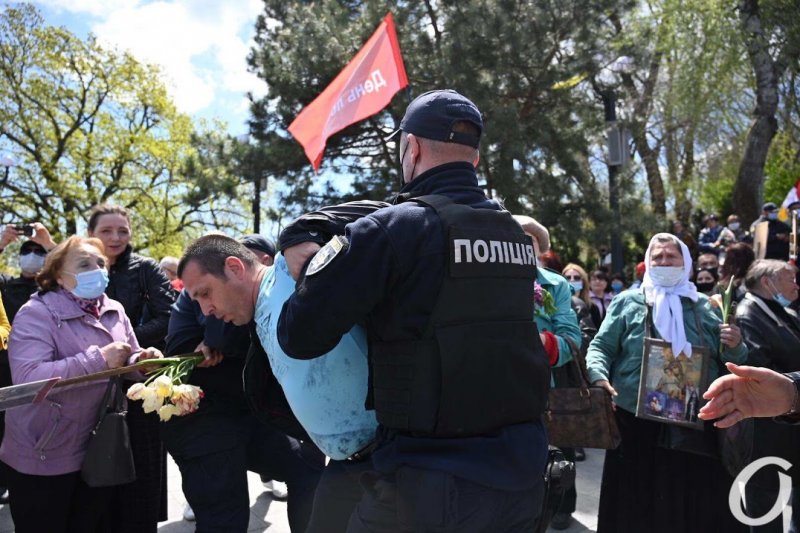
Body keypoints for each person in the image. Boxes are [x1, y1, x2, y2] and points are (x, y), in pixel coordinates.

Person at [277, 89, 550, 531]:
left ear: (412, 147)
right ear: (474, 159)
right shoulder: (514, 234)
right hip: (520, 477)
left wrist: (311, 264)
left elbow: (299, 335)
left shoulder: (390, 232)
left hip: (427, 483)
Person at [177, 229, 381, 532]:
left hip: (388, 456)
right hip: (346, 465)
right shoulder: (254, 313)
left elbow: (378, 224)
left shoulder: (290, 269)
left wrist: (303, 228)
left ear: (235, 267)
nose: (205, 309)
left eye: (205, 293)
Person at [585, 233, 748, 533]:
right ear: (647, 262)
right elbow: (601, 347)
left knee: (692, 504)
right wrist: (598, 376)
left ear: (685, 262)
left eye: (671, 257)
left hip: (693, 422)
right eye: (657, 257)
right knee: (634, 504)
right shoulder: (628, 302)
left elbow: (730, 359)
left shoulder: (705, 307)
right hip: (635, 422)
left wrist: (736, 344)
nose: (663, 262)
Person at [0, 236, 161, 533]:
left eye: (100, 263)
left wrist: (143, 362)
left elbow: (128, 360)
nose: (96, 269)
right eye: (84, 263)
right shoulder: (37, 313)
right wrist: (99, 359)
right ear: (59, 275)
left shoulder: (115, 310)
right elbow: (28, 378)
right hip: (42, 455)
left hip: (96, 450)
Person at [164, 234, 323, 532]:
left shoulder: (269, 289)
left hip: (250, 413)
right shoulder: (201, 296)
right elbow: (215, 337)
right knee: (225, 519)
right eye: (201, 295)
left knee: (308, 469)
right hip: (202, 422)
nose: (206, 308)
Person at [86, 204, 176, 532]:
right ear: (90, 235)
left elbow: (168, 317)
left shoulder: (145, 269)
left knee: (141, 475)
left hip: (137, 385)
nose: (115, 237)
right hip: (89, 386)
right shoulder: (76, 271)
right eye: (106, 231)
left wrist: (125, 347)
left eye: (122, 230)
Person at [515, 215, 581, 531]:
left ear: (540, 250)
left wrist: (543, 342)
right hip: (497, 384)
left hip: (545, 388)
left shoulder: (556, 285)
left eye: (529, 241)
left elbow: (571, 338)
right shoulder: (486, 280)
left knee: (557, 452)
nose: (522, 246)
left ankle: (562, 507)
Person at [733, 259, 800, 530]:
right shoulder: (749, 314)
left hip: (789, 427)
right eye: (790, 279)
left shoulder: (783, 312)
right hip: (768, 432)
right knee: (768, 510)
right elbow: (760, 367)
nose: (796, 285)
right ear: (767, 282)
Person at [562, 263, 602, 329]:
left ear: (583, 281)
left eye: (576, 278)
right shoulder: (558, 305)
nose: (572, 280)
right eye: (568, 277)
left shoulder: (592, 308)